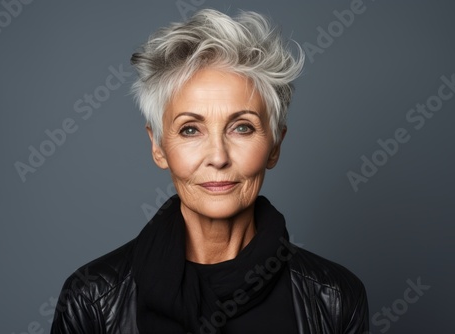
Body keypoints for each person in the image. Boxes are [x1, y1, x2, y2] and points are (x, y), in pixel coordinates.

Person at [51, 9, 368, 334]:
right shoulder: (91, 299)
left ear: (275, 146)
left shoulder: (335, 298)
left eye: (242, 127)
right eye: (190, 130)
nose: (217, 157)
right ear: (158, 147)